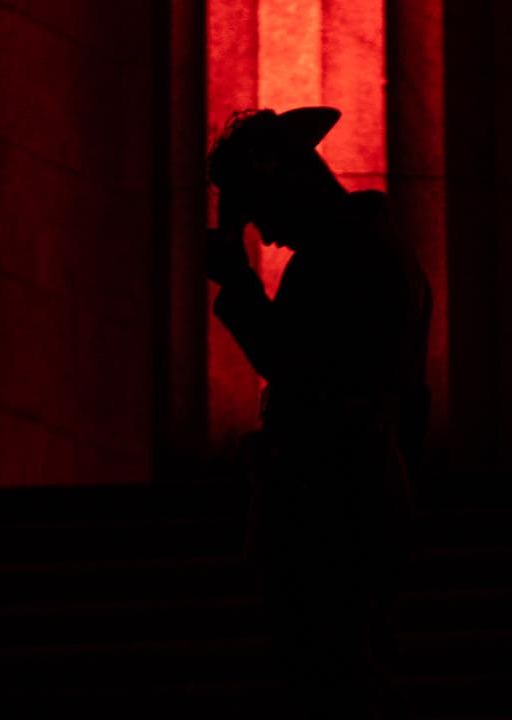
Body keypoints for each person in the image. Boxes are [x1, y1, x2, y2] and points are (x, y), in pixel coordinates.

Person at [206, 107, 431, 718]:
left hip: (330, 496)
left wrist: (241, 285)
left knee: (331, 666)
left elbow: (300, 365)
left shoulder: (343, 260)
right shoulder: (378, 249)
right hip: (359, 484)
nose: (267, 234)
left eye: (261, 210)